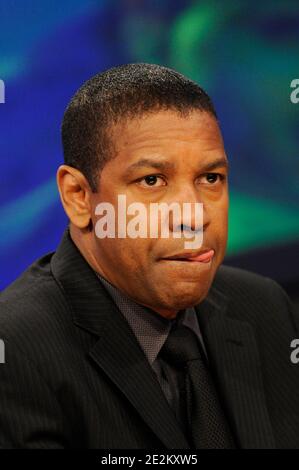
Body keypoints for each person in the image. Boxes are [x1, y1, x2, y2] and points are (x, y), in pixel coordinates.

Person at [0, 63, 298, 449]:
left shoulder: (264, 306)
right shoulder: (17, 351)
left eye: (211, 178)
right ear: (78, 196)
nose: (194, 216)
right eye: (152, 181)